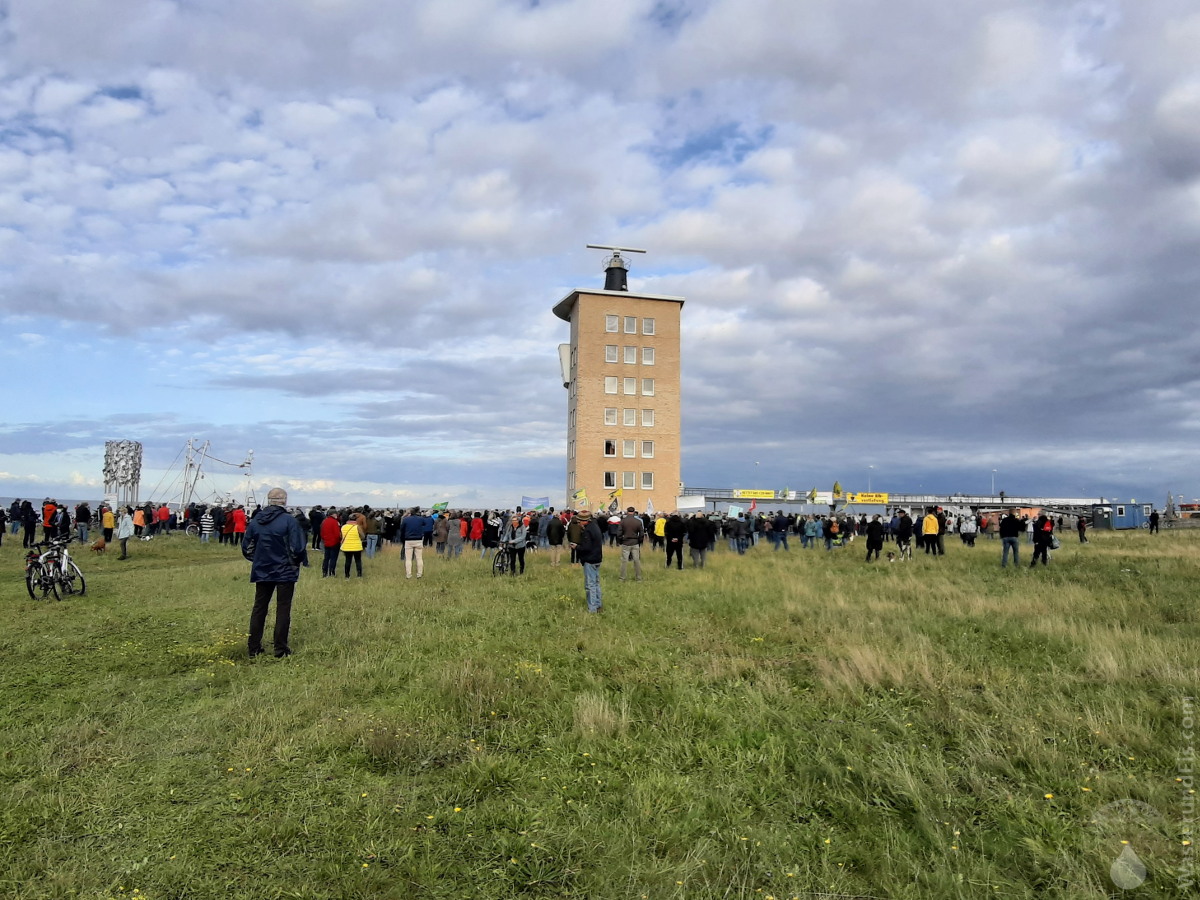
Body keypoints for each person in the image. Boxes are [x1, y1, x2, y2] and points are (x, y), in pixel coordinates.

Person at [243, 487, 307, 658]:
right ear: (284, 501)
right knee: (283, 608)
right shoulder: (289, 521)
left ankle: (253, 647)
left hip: (263, 569)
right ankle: (280, 648)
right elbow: (298, 547)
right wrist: (294, 562)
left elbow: (246, 547)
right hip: (285, 570)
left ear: (269, 500)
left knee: (259, 608)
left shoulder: (256, 521)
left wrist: (258, 560)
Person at [574, 509, 604, 613]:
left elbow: (586, 547)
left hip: (590, 560)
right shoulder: (595, 526)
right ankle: (598, 605)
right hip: (597, 558)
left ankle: (592, 608)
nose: (578, 524)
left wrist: (576, 547)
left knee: (590, 585)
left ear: (584, 521)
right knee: (596, 583)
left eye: (579, 521)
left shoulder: (587, 530)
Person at [400, 507, 432, 578]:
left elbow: (402, 529)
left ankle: (408, 574)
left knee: (408, 559)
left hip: (408, 540)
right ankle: (419, 574)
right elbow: (425, 523)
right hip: (418, 539)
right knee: (419, 558)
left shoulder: (406, 519)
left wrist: (403, 539)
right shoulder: (420, 519)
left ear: (410, 513)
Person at [618, 506, 645, 581]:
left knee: (624, 561)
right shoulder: (638, 521)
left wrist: (620, 541)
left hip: (626, 542)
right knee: (636, 561)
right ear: (634, 512)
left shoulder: (623, 521)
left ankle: (622, 578)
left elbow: (619, 533)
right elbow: (642, 533)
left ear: (627, 512)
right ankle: (638, 578)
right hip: (635, 542)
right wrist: (639, 541)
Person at [341, 512, 366, 578]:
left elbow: (341, 536)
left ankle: (347, 575)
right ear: (356, 520)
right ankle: (359, 575)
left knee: (348, 561)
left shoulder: (343, 527)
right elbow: (363, 536)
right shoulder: (357, 527)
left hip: (346, 546)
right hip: (356, 547)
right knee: (358, 561)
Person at [320, 508, 342, 577]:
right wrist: (339, 539)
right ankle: (332, 572)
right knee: (333, 558)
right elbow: (337, 534)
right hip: (334, 542)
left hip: (326, 542)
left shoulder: (324, 521)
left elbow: (322, 532)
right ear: (333, 514)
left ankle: (324, 572)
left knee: (326, 558)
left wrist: (325, 539)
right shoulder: (335, 522)